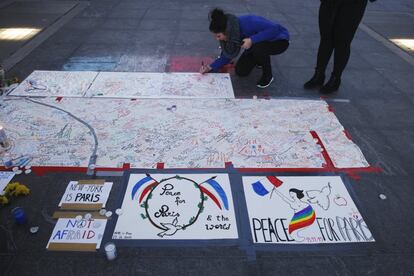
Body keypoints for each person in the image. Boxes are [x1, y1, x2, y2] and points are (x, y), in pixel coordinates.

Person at [200, 8, 289, 89]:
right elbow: (228, 54)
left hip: (279, 40)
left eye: (218, 36)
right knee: (241, 71)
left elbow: (275, 29)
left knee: (258, 47)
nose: (217, 39)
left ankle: (268, 76)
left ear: (225, 31)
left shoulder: (249, 21)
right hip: (256, 45)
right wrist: (210, 67)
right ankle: (260, 60)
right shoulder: (230, 33)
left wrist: (251, 40)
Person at [304, 0, 375, 94]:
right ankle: (319, 75)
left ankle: (335, 79)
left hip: (354, 4)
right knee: (326, 38)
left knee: (343, 41)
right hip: (329, 2)